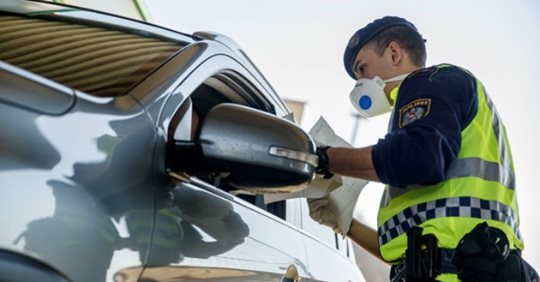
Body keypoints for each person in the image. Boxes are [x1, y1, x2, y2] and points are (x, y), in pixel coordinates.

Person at [309, 16, 538, 281]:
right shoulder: (434, 105)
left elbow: (420, 158)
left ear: (394, 53)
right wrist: (346, 224)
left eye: (362, 69)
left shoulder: (430, 81)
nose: (360, 82)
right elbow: (410, 253)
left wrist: (323, 158)